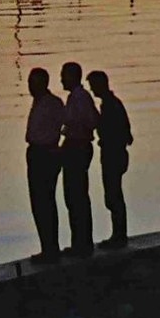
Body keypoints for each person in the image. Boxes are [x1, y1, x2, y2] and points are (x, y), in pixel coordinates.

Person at [88, 70, 133, 249]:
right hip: (115, 154)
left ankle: (119, 235)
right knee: (114, 195)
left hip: (113, 155)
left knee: (113, 195)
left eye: (93, 86)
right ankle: (119, 234)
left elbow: (119, 133)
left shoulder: (110, 106)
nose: (92, 90)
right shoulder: (112, 104)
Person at [24, 67, 66, 263]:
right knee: (38, 203)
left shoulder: (52, 104)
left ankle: (51, 249)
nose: (30, 87)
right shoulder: (39, 102)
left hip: (45, 153)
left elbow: (65, 124)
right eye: (30, 83)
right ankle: (47, 247)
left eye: (34, 83)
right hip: (37, 152)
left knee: (45, 201)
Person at [60, 61, 99, 257]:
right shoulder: (77, 98)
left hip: (78, 147)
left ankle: (82, 244)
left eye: (63, 75)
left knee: (76, 197)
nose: (60, 79)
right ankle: (80, 242)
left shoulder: (80, 98)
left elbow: (91, 120)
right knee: (74, 197)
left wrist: (76, 130)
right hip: (75, 146)